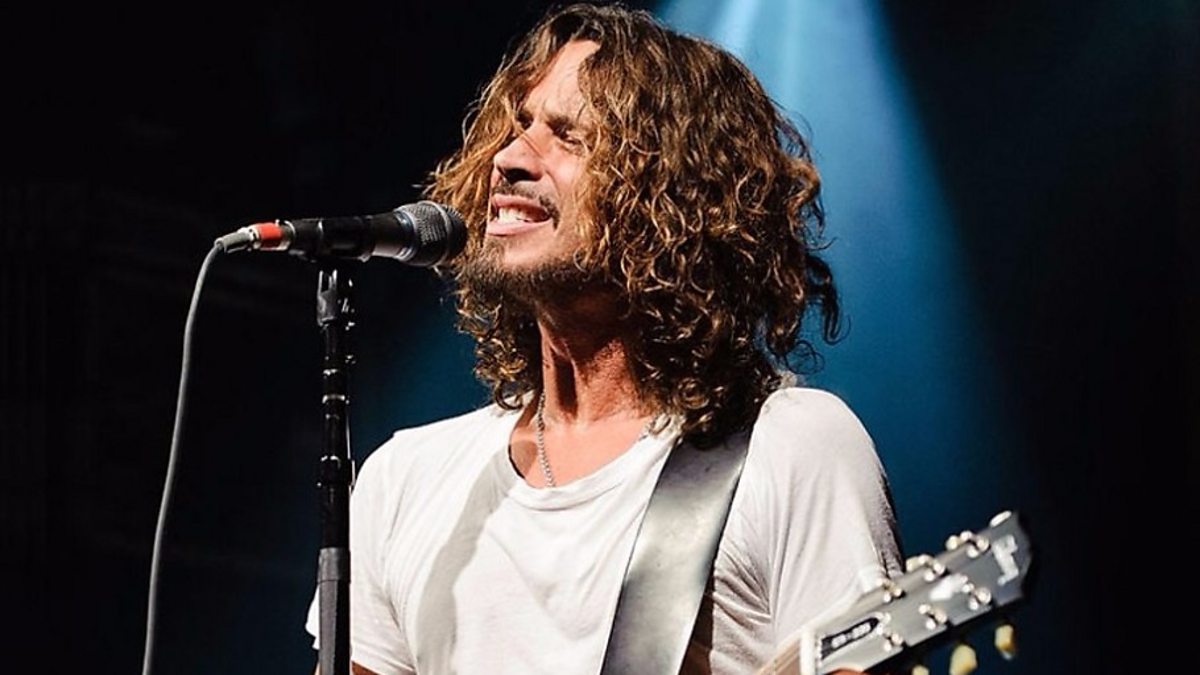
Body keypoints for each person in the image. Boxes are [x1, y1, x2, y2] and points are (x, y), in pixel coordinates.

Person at [306, 3, 902, 674]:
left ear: (671, 195)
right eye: (519, 127)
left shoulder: (790, 446)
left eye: (567, 136)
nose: (509, 158)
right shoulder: (405, 477)